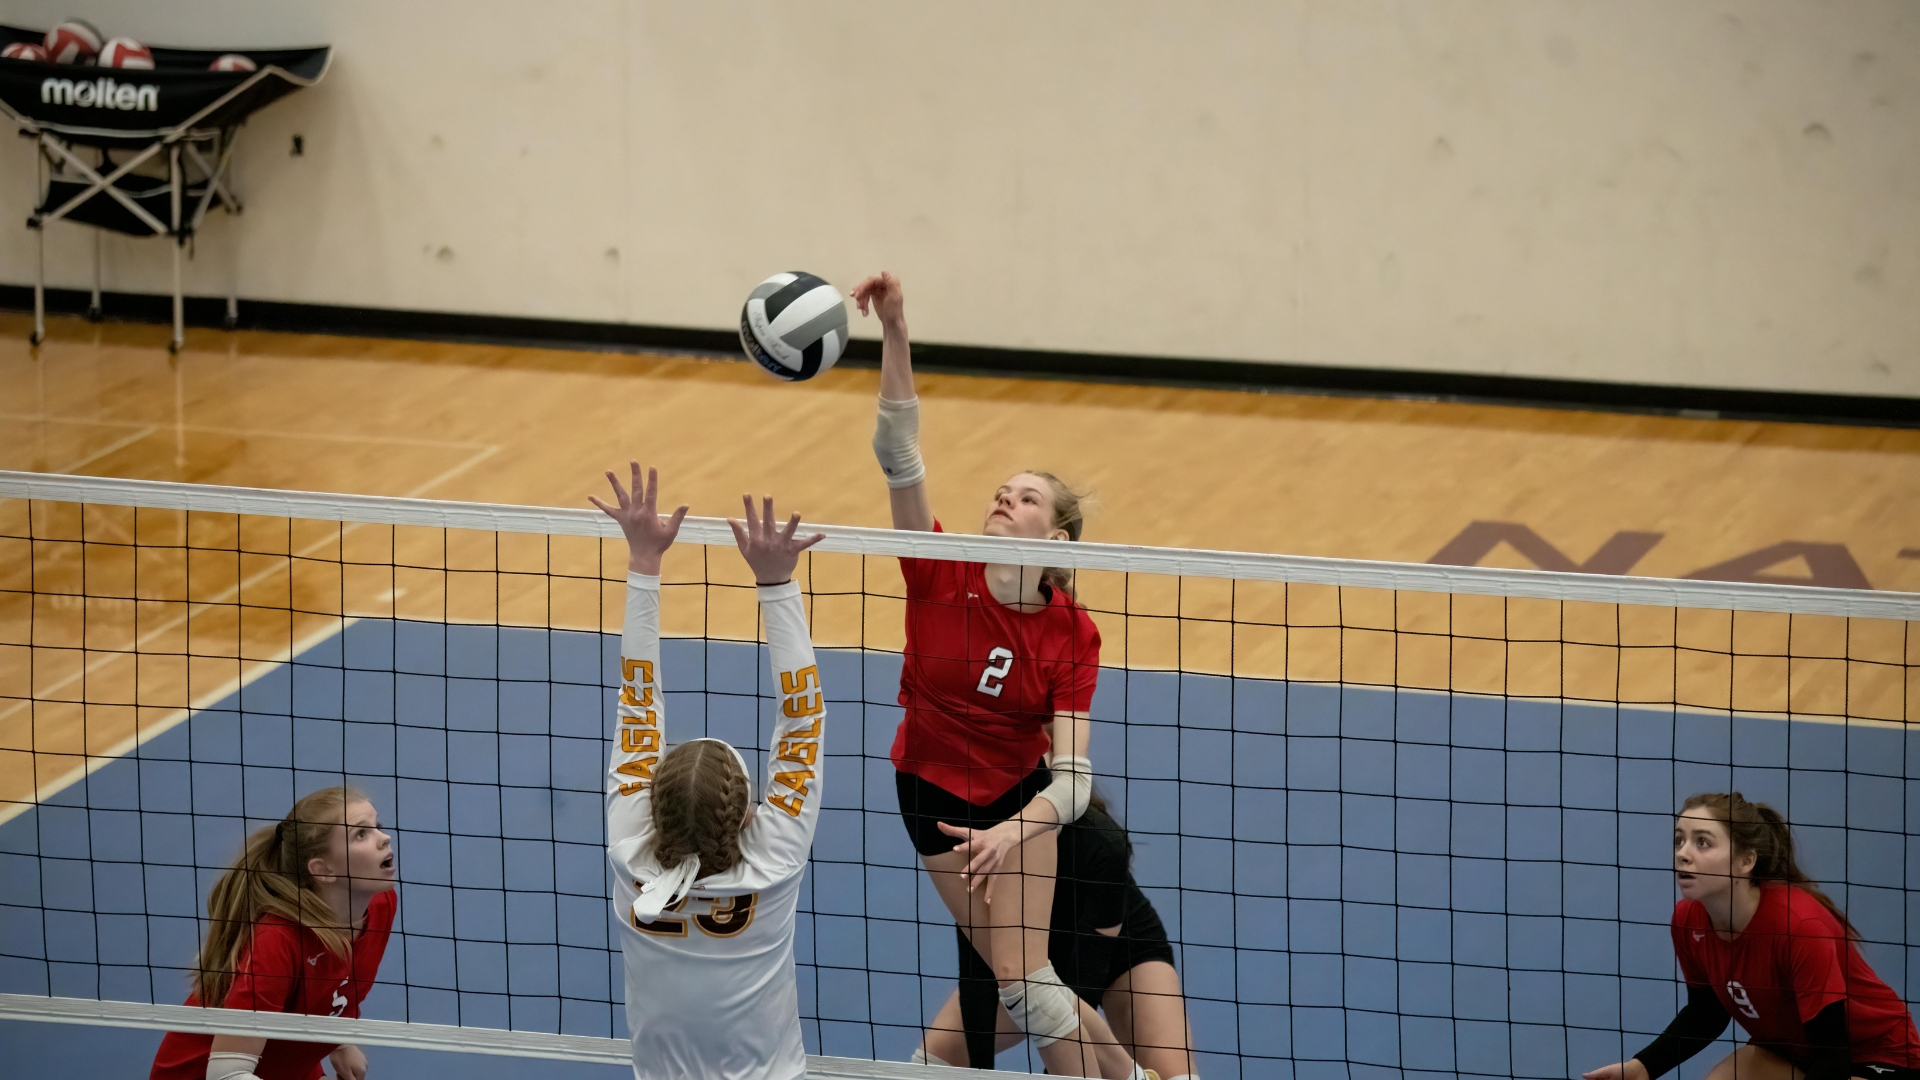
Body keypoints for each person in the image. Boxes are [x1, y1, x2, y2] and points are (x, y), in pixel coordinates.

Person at [851, 272, 1134, 1078]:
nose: (1007, 500)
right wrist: (896, 328)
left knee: (1029, 987)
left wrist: (1016, 829)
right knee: (1023, 987)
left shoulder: (1073, 635)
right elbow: (898, 451)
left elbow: (1074, 780)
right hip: (933, 794)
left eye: (1029, 497)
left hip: (1018, 803)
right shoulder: (940, 568)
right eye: (1002, 492)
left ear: (1060, 538)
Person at [593, 464, 827, 1080]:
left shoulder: (629, 854)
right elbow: (802, 720)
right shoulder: (773, 865)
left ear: (651, 802)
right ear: (748, 814)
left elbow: (636, 704)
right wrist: (776, 584)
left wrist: (644, 561)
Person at [1582, 792, 1920, 1080]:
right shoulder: (1688, 919)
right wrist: (1645, 1066)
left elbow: (1830, 1052)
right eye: (1679, 839)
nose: (1683, 853)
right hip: (1790, 1051)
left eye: (1702, 842)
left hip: (1880, 1055)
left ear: (1745, 861)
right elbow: (1708, 1012)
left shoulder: (1798, 926)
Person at [918, 792, 1199, 1080]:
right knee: (933, 1062)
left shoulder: (1102, 844)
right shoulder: (982, 835)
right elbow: (977, 962)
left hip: (1122, 951)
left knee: (1177, 1078)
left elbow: (1086, 977)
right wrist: (981, 1059)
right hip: (1024, 955)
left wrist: (1061, 1064)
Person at [150, 786, 398, 1080]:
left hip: (282, 1064)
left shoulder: (380, 904)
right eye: (360, 834)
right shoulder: (278, 940)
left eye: (376, 826)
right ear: (323, 870)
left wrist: (339, 1039)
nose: (385, 838)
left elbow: (336, 982)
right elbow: (225, 1073)